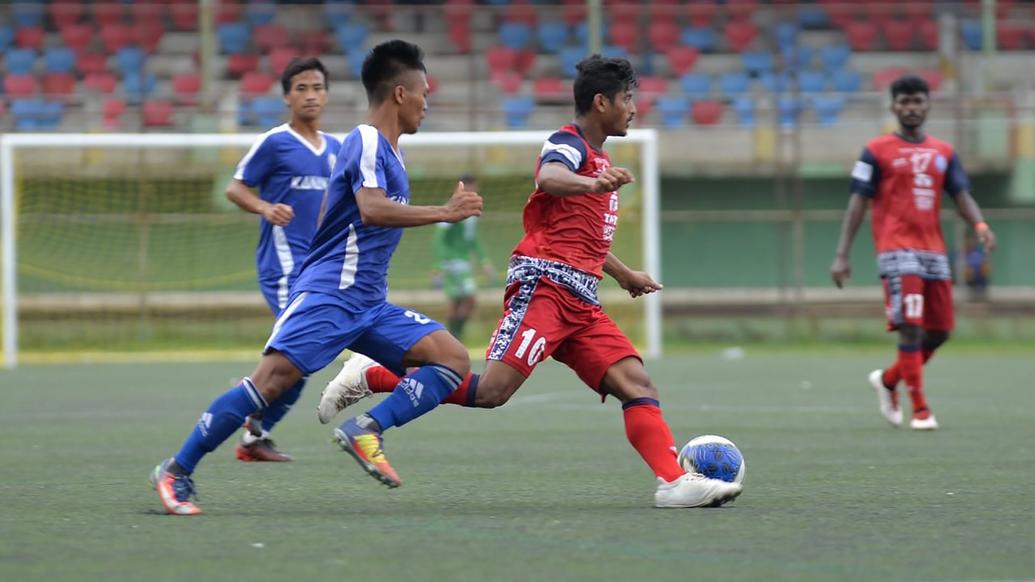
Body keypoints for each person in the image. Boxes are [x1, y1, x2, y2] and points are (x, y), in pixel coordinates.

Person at [319, 55, 742, 509]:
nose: (633, 108)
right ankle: (374, 375)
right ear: (601, 103)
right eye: (627, 99)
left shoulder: (599, 159)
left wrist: (624, 275)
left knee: (637, 384)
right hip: (544, 289)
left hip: (580, 302)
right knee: (491, 392)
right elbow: (550, 176)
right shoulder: (569, 144)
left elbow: (584, 239)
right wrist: (593, 184)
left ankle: (673, 482)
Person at [150, 39, 483, 515]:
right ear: (400, 95)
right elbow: (369, 210)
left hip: (367, 302)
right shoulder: (367, 139)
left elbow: (337, 209)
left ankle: (365, 429)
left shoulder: (385, 151)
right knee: (269, 385)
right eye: (424, 93)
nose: (428, 104)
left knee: (450, 357)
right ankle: (176, 471)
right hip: (332, 296)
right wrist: (444, 213)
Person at [830, 75, 997, 431]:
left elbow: (961, 194)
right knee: (911, 328)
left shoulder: (944, 152)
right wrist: (842, 254)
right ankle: (920, 409)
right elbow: (858, 201)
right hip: (896, 249)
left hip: (934, 252)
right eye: (904, 102)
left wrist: (980, 226)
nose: (911, 108)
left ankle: (889, 381)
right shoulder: (875, 151)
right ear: (893, 107)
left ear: (927, 105)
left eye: (917, 101)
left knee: (939, 333)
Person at [224, 57, 341, 462]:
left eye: (318, 88)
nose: (311, 96)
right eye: (302, 88)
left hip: (320, 270)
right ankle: (240, 410)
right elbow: (235, 188)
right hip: (284, 269)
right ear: (287, 96)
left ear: (327, 95)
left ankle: (254, 435)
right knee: (297, 354)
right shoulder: (275, 142)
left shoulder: (338, 149)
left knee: (303, 360)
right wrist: (264, 207)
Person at [430, 175, 495, 340]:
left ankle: (451, 337)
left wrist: (484, 261)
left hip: (463, 261)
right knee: (469, 298)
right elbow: (439, 237)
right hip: (452, 262)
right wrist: (438, 265)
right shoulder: (451, 208)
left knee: (457, 301)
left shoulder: (471, 212)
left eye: (474, 189)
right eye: (469, 188)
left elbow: (472, 239)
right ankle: (455, 335)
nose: (473, 192)